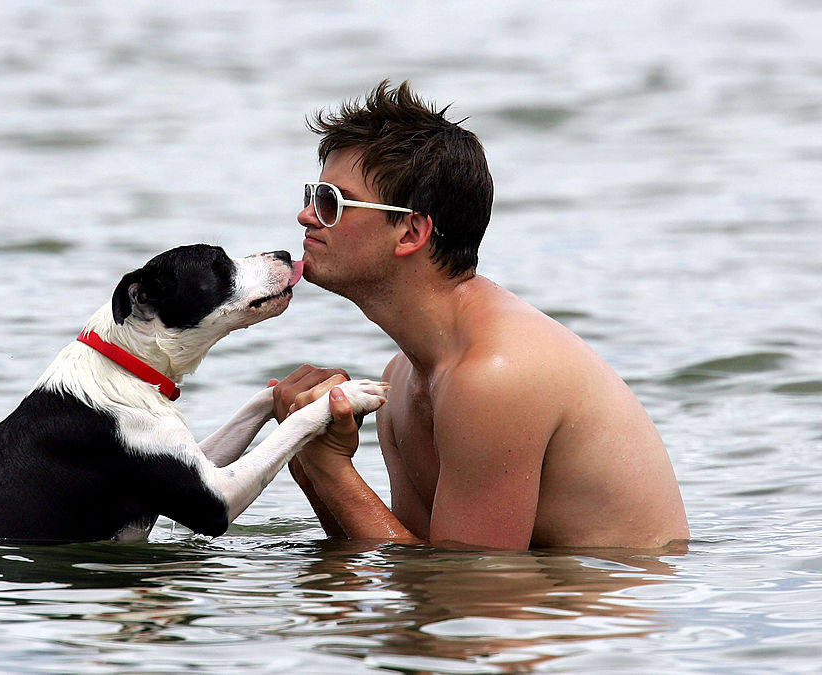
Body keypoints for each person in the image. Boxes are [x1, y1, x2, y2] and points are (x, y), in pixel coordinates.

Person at [271, 80, 689, 550]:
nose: (307, 215)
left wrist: (335, 471)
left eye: (332, 201)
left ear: (411, 231)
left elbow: (468, 588)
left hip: (586, 612)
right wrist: (310, 455)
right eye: (312, 195)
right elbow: (413, 563)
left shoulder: (493, 376)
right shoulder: (405, 378)